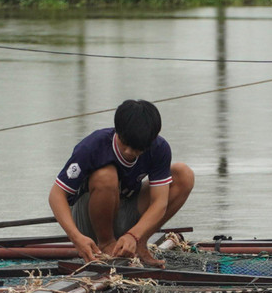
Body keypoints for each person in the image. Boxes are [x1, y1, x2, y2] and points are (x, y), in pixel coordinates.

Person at [49, 99, 194, 266]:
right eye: (125, 144)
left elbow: (159, 203)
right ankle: (106, 244)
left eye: (137, 148)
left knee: (184, 175)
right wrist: (76, 238)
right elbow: (56, 195)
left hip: (127, 212)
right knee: (106, 175)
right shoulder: (93, 146)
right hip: (89, 218)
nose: (129, 152)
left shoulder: (159, 148)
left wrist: (135, 235)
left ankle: (139, 242)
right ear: (117, 131)